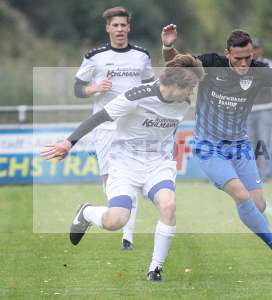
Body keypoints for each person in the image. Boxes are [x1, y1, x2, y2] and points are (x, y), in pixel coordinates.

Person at [161, 25, 272, 260]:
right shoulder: (212, 64)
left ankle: (263, 229)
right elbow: (177, 67)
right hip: (209, 147)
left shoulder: (259, 72)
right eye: (238, 58)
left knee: (258, 203)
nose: (243, 64)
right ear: (227, 53)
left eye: (248, 58)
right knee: (241, 195)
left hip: (240, 145)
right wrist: (168, 46)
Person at [42, 54, 204, 281]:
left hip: (158, 164)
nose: (191, 94)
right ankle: (87, 212)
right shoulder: (136, 96)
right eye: (190, 88)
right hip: (124, 163)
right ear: (177, 85)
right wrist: (69, 142)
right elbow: (99, 117)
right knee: (116, 221)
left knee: (169, 206)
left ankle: (155, 269)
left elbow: (170, 131)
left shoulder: (183, 103)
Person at [74, 6, 155, 250]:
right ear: (108, 28)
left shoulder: (142, 55)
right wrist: (94, 88)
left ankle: (127, 236)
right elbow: (77, 89)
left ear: (129, 27)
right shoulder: (94, 56)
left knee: (133, 175)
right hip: (106, 127)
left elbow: (151, 86)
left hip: (135, 126)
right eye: (115, 25)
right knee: (111, 181)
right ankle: (103, 216)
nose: (119, 29)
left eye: (123, 25)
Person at [246, 38, 272, 181]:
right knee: (249, 145)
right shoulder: (243, 64)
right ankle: (251, 175)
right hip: (247, 111)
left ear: (260, 50)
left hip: (264, 109)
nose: (253, 51)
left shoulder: (268, 64)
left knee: (264, 144)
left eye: (256, 48)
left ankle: (265, 175)